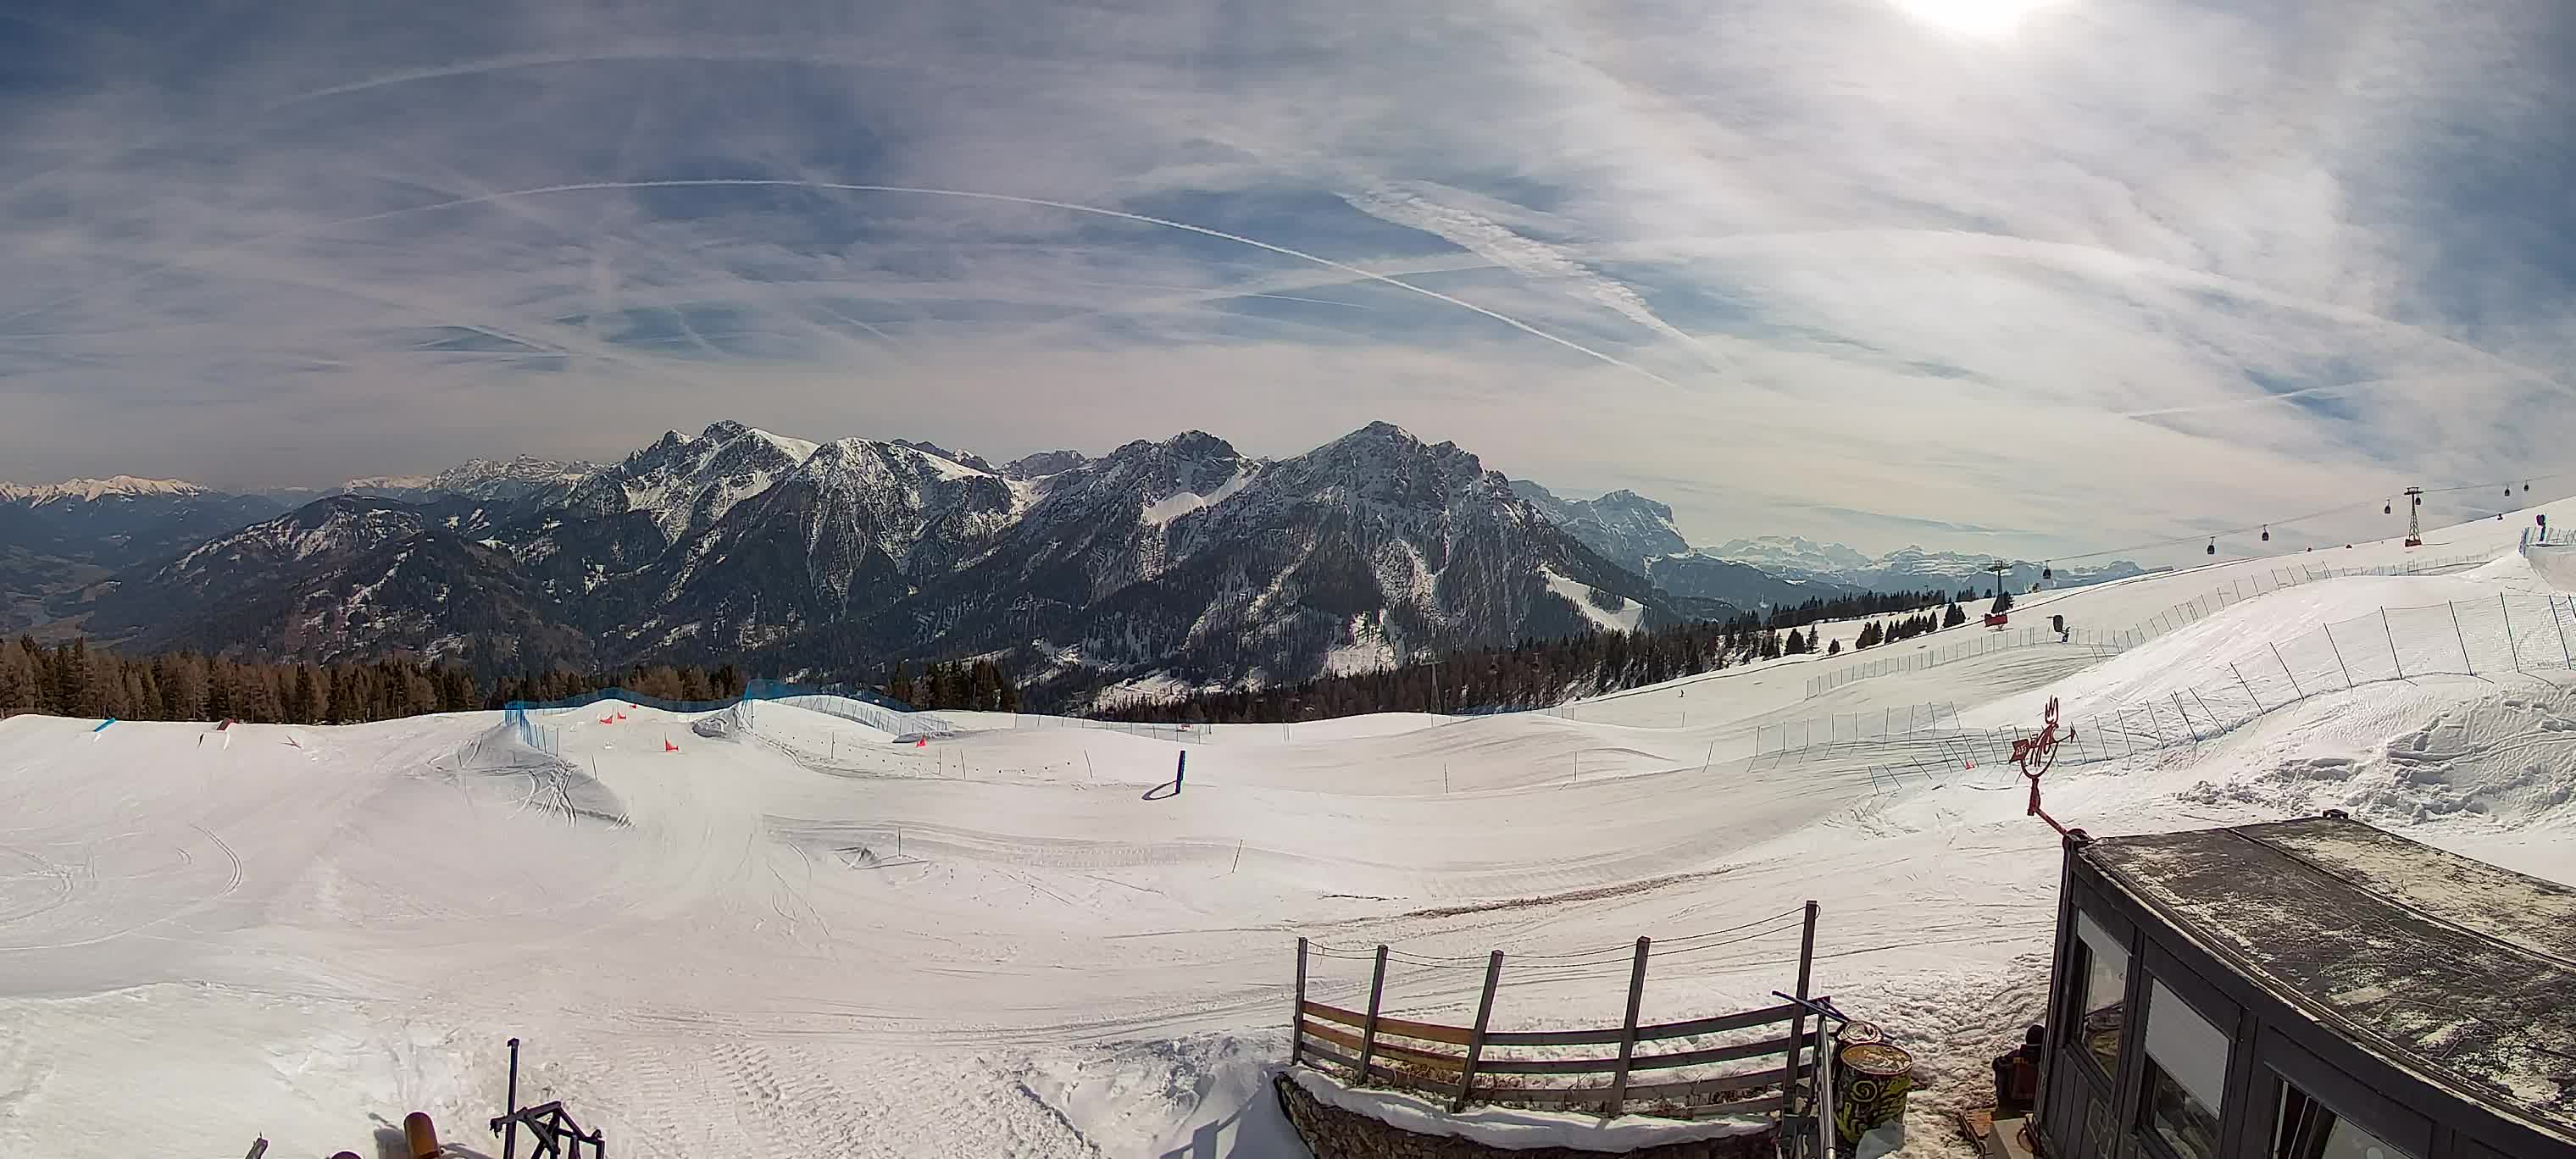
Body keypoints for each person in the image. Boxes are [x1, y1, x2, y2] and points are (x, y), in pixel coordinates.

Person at [1992, 1024, 2044, 1117]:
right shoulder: (2049, 1060)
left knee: (2003, 1070)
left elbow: (1997, 1065)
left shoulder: (2014, 1057)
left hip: (2013, 1105)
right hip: (2040, 1106)